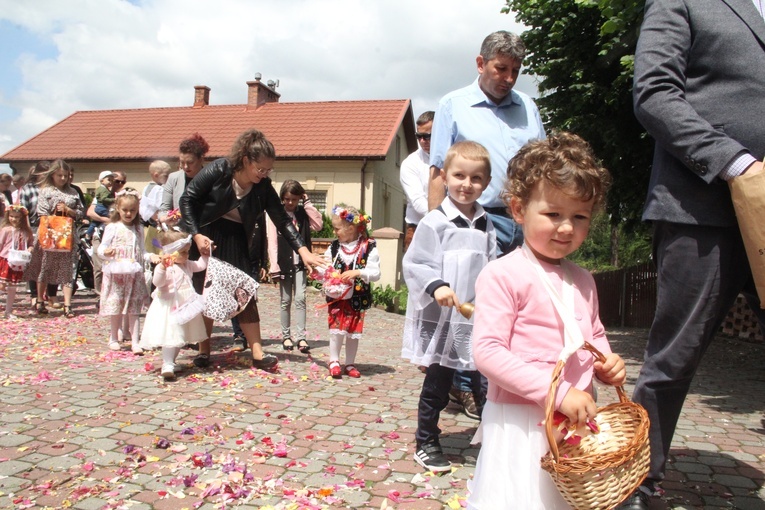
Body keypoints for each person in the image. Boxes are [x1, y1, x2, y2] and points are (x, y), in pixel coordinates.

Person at [625, 2, 765, 508]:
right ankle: (636, 484)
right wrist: (734, 162)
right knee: (673, 356)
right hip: (700, 207)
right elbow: (655, 93)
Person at [466, 133, 625, 508]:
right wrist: (556, 393)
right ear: (519, 210)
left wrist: (607, 361)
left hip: (576, 419)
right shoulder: (503, 274)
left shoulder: (584, 278)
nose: (567, 227)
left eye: (579, 216)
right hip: (523, 419)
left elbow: (593, 332)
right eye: (553, 214)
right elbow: (488, 352)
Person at [428, 30, 547, 418]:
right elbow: (437, 172)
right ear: (481, 64)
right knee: (474, 303)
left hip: (522, 219)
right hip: (475, 219)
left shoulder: (528, 107)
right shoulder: (452, 105)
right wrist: (437, 229)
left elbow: (543, 165)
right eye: (501, 68)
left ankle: (508, 379)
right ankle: (465, 387)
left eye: (515, 70)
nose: (508, 77)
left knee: (519, 303)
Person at [179, 129, 327, 371]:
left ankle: (258, 353)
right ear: (246, 160)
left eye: (269, 170)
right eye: (261, 169)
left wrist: (302, 250)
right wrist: (196, 235)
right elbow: (188, 199)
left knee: (245, 293)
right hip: (207, 233)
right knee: (204, 293)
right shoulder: (219, 169)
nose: (265, 174)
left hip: (237, 237)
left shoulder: (263, 187)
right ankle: (204, 351)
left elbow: (282, 220)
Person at [402, 141, 496, 472]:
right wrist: (437, 286)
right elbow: (415, 263)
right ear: (444, 176)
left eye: (475, 178)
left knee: (488, 383)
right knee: (439, 384)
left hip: (476, 316)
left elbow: (494, 265)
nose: (466, 185)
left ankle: (494, 442)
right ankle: (426, 440)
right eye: (459, 176)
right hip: (444, 318)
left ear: (486, 182)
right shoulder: (435, 221)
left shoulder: (487, 224)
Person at [315, 204, 380, 378]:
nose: (334, 232)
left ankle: (350, 363)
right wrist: (319, 271)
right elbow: (327, 266)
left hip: (357, 296)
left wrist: (358, 272)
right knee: (336, 327)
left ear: (351, 228)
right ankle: (334, 360)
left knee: (353, 331)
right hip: (337, 295)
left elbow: (375, 273)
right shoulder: (335, 247)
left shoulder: (368, 246)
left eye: (337, 228)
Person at [139, 229, 208, 381]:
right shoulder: (165, 267)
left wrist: (205, 253)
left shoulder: (187, 264)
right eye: (182, 252)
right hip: (168, 306)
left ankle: (172, 361)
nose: (186, 255)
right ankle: (167, 363)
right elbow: (158, 282)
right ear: (171, 252)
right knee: (171, 335)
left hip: (183, 305)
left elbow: (200, 266)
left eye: (187, 252)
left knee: (179, 336)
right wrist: (163, 268)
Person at [266, 179, 323, 353]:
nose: (290, 203)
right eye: (287, 199)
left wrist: (307, 203)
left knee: (300, 299)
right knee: (285, 300)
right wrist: (274, 266)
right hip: (283, 263)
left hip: (300, 263)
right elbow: (272, 242)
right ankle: (286, 336)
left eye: (294, 199)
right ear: (282, 198)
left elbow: (318, 225)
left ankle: (301, 337)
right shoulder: (276, 214)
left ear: (299, 198)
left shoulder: (302, 213)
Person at [24, 160, 84, 318]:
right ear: (53, 175)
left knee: (67, 269)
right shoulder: (45, 191)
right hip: (49, 234)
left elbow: (80, 212)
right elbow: (41, 213)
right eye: (60, 175)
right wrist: (54, 211)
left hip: (68, 234)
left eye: (66, 175)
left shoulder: (73, 192)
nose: (63, 178)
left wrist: (69, 210)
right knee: (45, 267)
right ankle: (39, 300)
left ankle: (68, 304)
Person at [98, 190, 151, 353]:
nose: (128, 214)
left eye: (132, 210)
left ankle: (135, 340)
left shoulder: (138, 229)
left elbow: (142, 250)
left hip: (133, 273)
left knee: (134, 307)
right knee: (116, 306)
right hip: (116, 273)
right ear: (118, 209)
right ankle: (114, 337)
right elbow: (102, 247)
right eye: (125, 210)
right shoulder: (113, 227)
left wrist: (151, 257)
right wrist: (105, 252)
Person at [18, 161, 55, 309]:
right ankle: (35, 295)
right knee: (35, 263)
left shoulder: (53, 189)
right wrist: (27, 232)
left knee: (51, 262)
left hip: (52, 228)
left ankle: (51, 294)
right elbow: (23, 211)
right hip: (34, 227)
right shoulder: (27, 189)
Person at [88, 170, 127, 297]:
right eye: (116, 181)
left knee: (115, 266)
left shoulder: (122, 197)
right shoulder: (102, 193)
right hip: (99, 234)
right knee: (99, 266)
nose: (118, 184)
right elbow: (90, 213)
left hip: (116, 237)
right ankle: (100, 294)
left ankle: (114, 293)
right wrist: (107, 220)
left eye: (122, 182)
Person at [400, 111, 434, 250]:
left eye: (427, 136)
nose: (422, 141)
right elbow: (418, 201)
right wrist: (444, 219)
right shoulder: (411, 163)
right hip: (418, 228)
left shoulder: (453, 157)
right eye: (419, 136)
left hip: (452, 228)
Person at [0, 204, 34, 319]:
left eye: (17, 217)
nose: (13, 219)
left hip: (18, 261)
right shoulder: (6, 230)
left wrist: (30, 249)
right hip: (5, 259)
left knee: (13, 287)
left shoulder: (26, 231)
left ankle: (8, 311)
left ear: (22, 218)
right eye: (11, 216)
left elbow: (30, 244)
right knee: (2, 284)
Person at [85, 171, 115, 240]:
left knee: (95, 223)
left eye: (112, 180)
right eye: (109, 180)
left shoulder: (104, 189)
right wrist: (114, 200)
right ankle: (99, 230)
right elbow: (104, 199)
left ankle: (88, 233)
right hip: (102, 207)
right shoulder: (104, 190)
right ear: (102, 181)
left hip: (100, 208)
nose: (111, 182)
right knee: (112, 217)